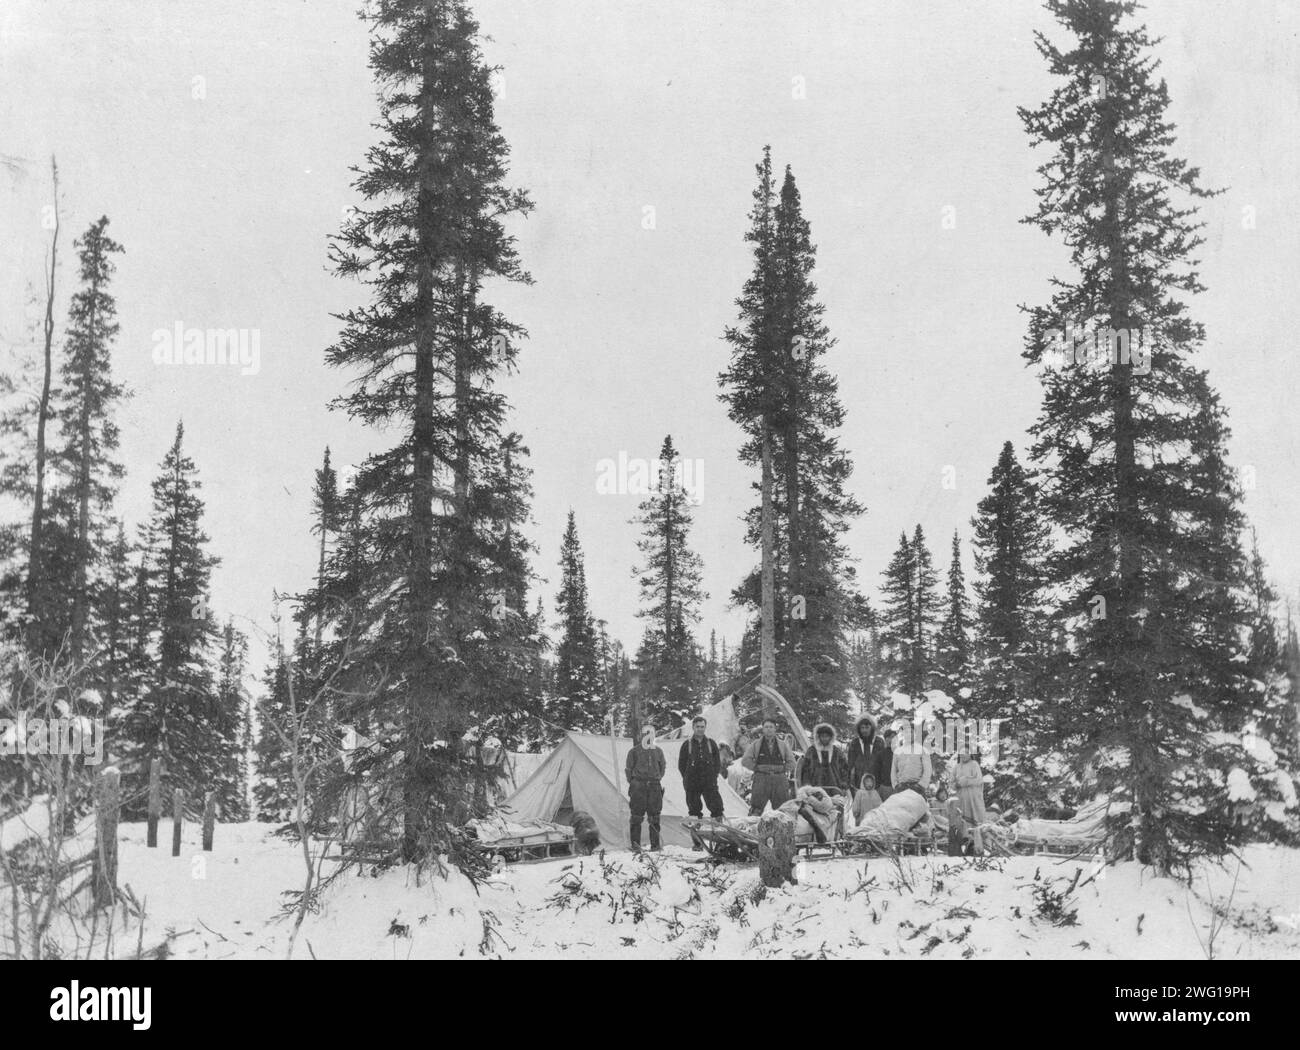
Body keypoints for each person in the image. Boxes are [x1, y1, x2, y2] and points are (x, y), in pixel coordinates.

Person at [741, 717, 795, 815]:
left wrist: (782, 769)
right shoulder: (756, 745)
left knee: (782, 810)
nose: (768, 729)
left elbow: (792, 762)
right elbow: (745, 760)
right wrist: (756, 768)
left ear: (775, 729)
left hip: (779, 780)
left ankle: (782, 830)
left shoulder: (782, 745)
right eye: (766, 727)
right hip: (761, 779)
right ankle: (752, 829)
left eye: (771, 727)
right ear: (763, 729)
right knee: (756, 809)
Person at [625, 726, 666, 851]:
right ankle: (636, 846)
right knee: (636, 816)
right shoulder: (634, 751)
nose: (648, 737)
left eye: (651, 734)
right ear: (641, 736)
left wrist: (654, 779)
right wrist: (635, 783)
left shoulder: (658, 751)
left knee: (654, 817)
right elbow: (628, 770)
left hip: (654, 786)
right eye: (645, 734)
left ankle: (655, 845)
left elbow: (662, 768)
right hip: (638, 786)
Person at [678, 715, 725, 821]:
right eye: (697, 727)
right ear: (693, 728)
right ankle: (696, 826)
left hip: (708, 780)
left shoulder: (711, 743)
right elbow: (681, 764)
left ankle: (718, 824)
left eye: (702, 726)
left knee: (716, 806)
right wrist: (687, 778)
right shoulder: (687, 744)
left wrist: (714, 776)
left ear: (705, 727)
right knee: (694, 808)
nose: (700, 729)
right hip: (692, 781)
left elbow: (717, 762)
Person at [800, 722, 851, 795]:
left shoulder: (837, 752)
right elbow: (805, 770)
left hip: (835, 788)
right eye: (822, 736)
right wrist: (807, 786)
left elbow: (845, 769)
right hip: (815, 787)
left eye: (827, 736)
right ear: (818, 737)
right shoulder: (811, 751)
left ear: (831, 737)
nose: (824, 738)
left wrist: (844, 785)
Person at [846, 715, 886, 797]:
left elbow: (883, 763)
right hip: (858, 784)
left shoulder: (879, 742)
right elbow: (850, 765)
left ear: (872, 728)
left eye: (867, 727)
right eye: (862, 728)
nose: (864, 730)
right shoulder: (854, 743)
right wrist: (849, 783)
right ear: (859, 729)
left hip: (876, 784)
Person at [953, 750, 987, 825]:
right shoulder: (957, 767)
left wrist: (966, 781)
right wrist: (955, 785)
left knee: (975, 817)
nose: (964, 755)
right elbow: (951, 781)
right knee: (962, 817)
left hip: (972, 796)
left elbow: (979, 780)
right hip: (961, 796)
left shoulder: (974, 764)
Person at [876, 727, 897, 799]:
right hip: (885, 787)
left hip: (898, 787)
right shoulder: (880, 754)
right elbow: (877, 771)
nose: (892, 740)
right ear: (885, 739)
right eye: (890, 737)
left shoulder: (900, 753)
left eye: (894, 738)